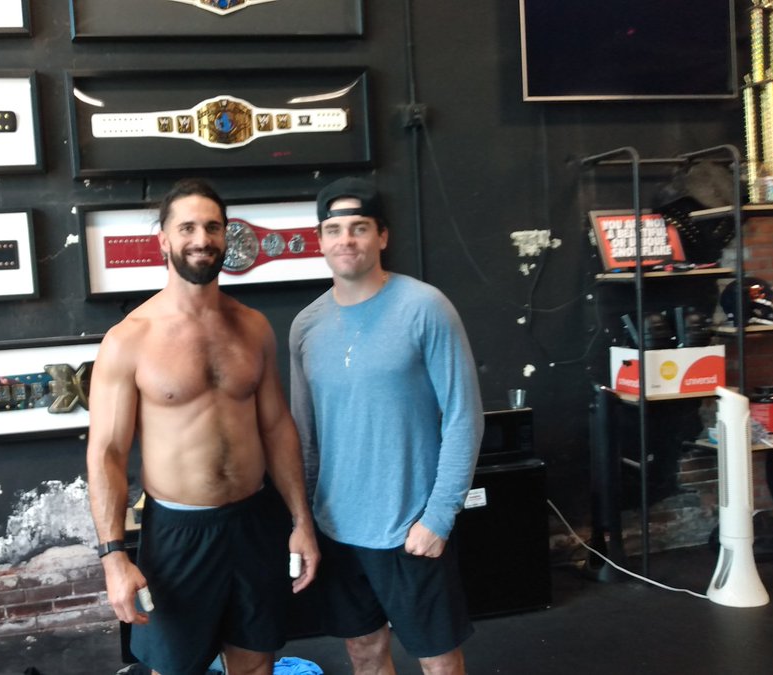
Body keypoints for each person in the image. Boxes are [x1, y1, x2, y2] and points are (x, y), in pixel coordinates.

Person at [87, 178, 320, 675]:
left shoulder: (253, 327)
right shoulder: (129, 339)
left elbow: (278, 428)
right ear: (164, 240)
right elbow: (106, 452)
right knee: (175, 668)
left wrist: (302, 522)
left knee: (256, 660)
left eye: (212, 227)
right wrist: (113, 558)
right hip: (178, 533)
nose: (201, 238)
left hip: (255, 522)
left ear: (226, 235)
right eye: (187, 227)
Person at [289, 177, 484, 674]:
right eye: (334, 230)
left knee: (439, 660)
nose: (346, 240)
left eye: (359, 227)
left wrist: (439, 516)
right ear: (320, 241)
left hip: (410, 526)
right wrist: (305, 522)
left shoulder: (425, 307)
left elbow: (464, 415)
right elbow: (305, 437)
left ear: (382, 236)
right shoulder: (305, 326)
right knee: (363, 651)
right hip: (337, 529)